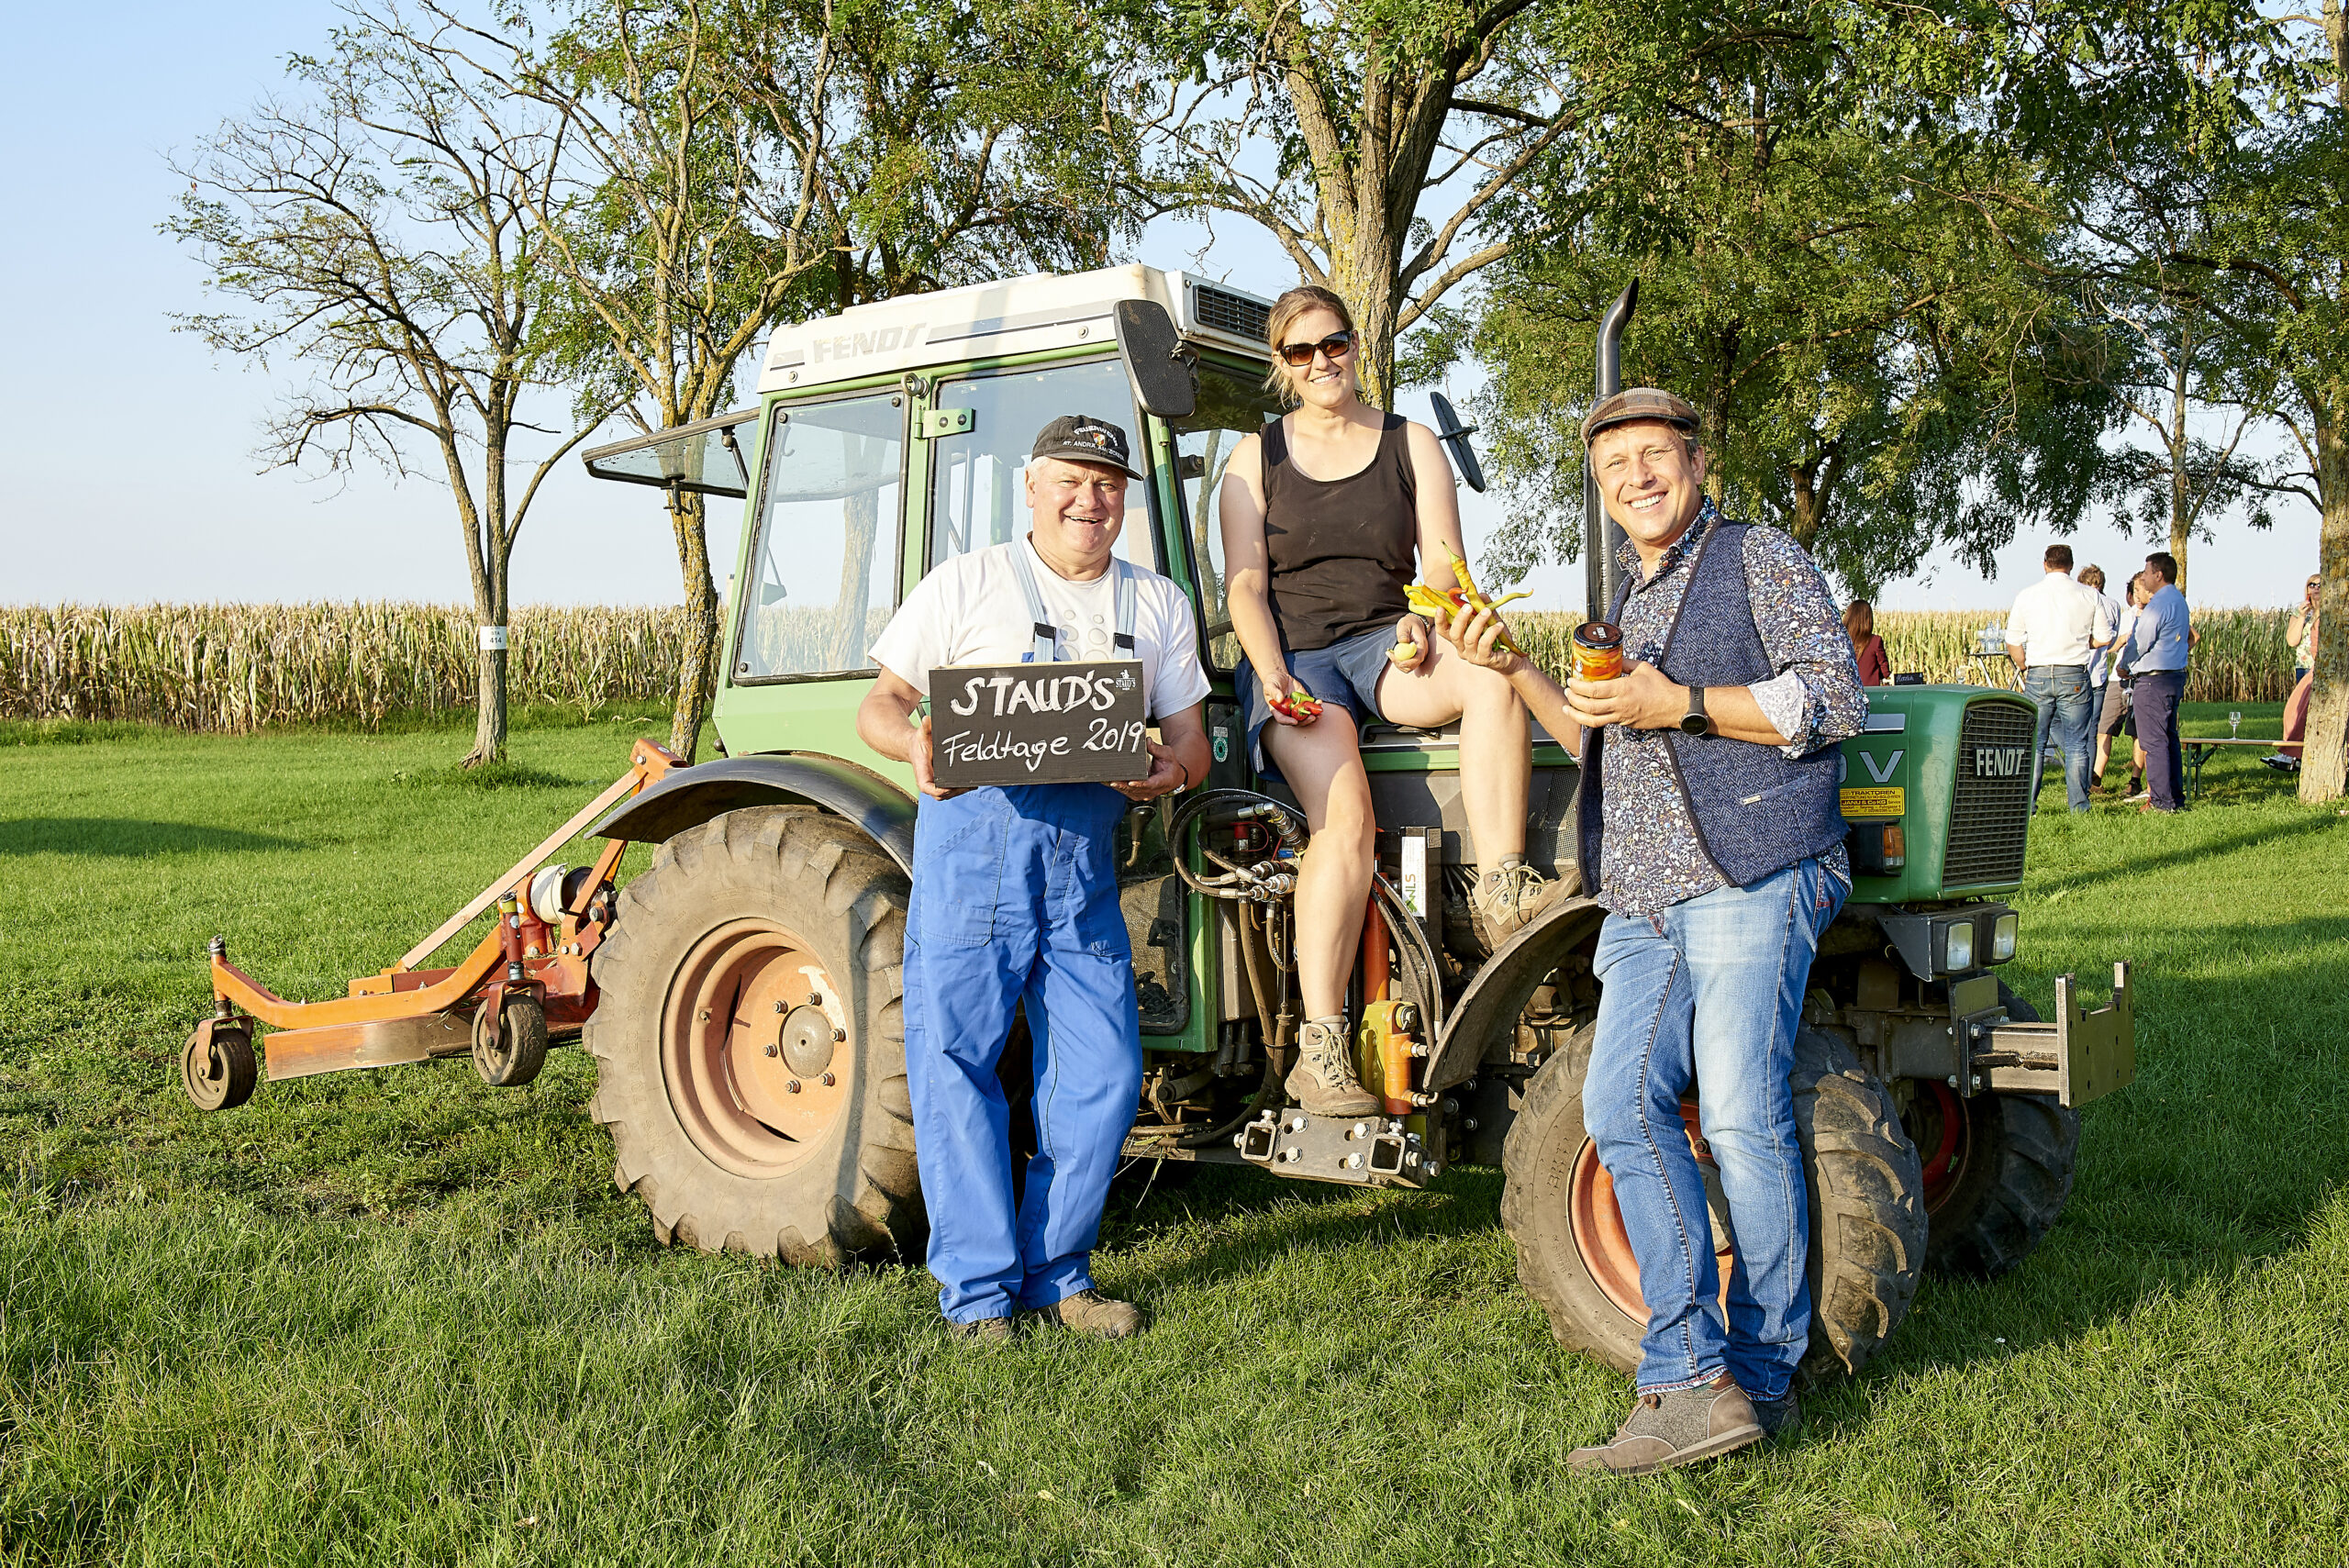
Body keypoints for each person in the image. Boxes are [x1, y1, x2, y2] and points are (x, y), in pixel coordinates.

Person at [1438, 387, 1865, 1473]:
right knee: (1618, 1108)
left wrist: (1677, 701)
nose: (1636, 476)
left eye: (1654, 454)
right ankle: (1691, 1376)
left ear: (1696, 461)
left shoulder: (1757, 557)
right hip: (1640, 899)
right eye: (1613, 463)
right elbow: (1596, 739)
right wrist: (1510, 666)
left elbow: (1832, 698)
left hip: (1750, 871)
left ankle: (1756, 1376)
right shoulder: (1626, 596)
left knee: (1738, 1112)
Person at [855, 414, 1212, 1342]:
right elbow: (881, 704)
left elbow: (1191, 740)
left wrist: (1169, 772)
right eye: (1071, 479)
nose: (1089, 499)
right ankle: (979, 1295)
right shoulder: (966, 582)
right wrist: (915, 745)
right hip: (972, 860)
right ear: (1032, 485)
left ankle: (1059, 1274)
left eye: (1107, 483)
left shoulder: (1156, 602)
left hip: (1083, 873)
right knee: (956, 1067)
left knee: (1104, 1074)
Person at [1217, 284, 1562, 1118]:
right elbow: (1245, 587)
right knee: (1345, 817)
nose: (1321, 362)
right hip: (1296, 660)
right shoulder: (1253, 459)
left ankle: (1503, 889)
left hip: (1385, 643)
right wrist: (1271, 672)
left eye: (1333, 343)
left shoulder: (1412, 442)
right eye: (1301, 351)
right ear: (1282, 365)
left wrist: (1422, 617)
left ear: (1354, 345)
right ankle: (1321, 1049)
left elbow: (1442, 564)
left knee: (1492, 669)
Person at [2003, 543, 2114, 814]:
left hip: (2038, 672)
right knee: (2077, 744)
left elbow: (2013, 640)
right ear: (2071, 565)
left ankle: (2027, 806)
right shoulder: (2089, 595)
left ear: (2045, 564)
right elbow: (2104, 637)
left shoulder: (2027, 595)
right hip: (2073, 672)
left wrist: (2024, 665)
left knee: (2035, 744)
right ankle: (2079, 805)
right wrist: (2083, 641)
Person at [2119, 550, 2192, 813]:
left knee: (2153, 742)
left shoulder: (2158, 604)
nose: (2145, 577)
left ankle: (2161, 801)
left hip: (2153, 680)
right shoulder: (2179, 600)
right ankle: (2175, 797)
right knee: (2169, 738)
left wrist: (2124, 664)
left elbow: (2141, 641)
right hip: (2173, 676)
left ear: (2159, 574)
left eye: (2148, 572)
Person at [2093, 571, 2148, 795]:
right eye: (2134, 591)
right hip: (2119, 680)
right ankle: (2096, 779)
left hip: (2142, 679)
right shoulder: (2126, 616)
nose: (2137, 595)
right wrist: (2124, 639)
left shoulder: (2154, 617)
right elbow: (2110, 646)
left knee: (2139, 733)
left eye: (2141, 590)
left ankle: (2135, 780)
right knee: (2105, 728)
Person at [1844, 599, 1890, 685]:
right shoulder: (1875, 641)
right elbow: (1885, 672)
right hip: (1870, 690)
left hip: (1847, 690)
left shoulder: (1841, 641)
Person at [2288, 573, 2321, 685]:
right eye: (2312, 585)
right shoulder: (2299, 612)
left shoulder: (2331, 612)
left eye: (2320, 585)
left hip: (2325, 665)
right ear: (2307, 590)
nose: (2316, 588)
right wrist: (2302, 616)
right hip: (2305, 666)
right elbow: (2292, 641)